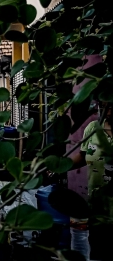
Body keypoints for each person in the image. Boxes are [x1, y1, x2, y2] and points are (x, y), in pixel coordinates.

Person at [69, 104, 113, 261]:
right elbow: (83, 155)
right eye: (104, 105)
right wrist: (59, 166)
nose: (107, 110)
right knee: (98, 251)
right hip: (97, 209)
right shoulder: (93, 128)